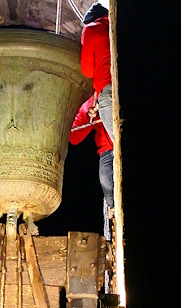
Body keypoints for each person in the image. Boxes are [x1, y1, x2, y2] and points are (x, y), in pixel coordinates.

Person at [80, 2, 114, 214]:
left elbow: (86, 69)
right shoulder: (117, 25)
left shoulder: (91, 29)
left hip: (107, 91)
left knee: (118, 152)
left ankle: (113, 211)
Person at [70, 95, 114, 217]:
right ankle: (113, 210)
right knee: (105, 180)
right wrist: (88, 113)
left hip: (119, 143)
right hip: (106, 149)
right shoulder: (90, 99)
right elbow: (74, 136)